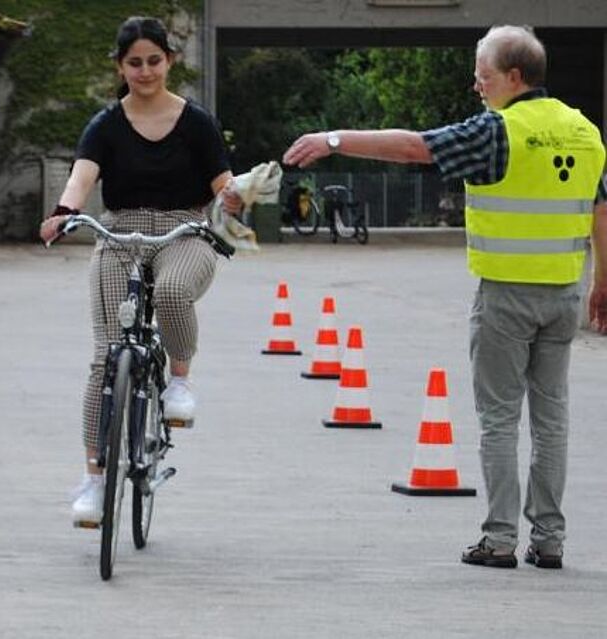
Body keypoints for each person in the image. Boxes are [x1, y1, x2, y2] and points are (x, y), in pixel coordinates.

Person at [283, 25, 607, 569]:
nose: (477, 86)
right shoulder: (586, 132)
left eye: (483, 77)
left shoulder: (499, 131)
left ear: (513, 76)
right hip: (564, 293)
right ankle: (548, 539)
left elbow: (414, 147)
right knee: (551, 417)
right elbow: (600, 209)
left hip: (507, 294)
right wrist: (603, 283)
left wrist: (336, 139)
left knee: (500, 417)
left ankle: (500, 538)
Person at [40, 16, 242, 526]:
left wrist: (235, 198)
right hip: (120, 231)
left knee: (173, 291)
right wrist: (65, 214)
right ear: (120, 66)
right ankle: (93, 478)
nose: (146, 70)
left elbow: (222, 183)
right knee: (106, 356)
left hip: (184, 230)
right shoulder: (106, 124)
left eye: (155, 60)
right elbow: (82, 176)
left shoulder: (195, 122)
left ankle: (179, 381)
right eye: (135, 62)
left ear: (169, 61)